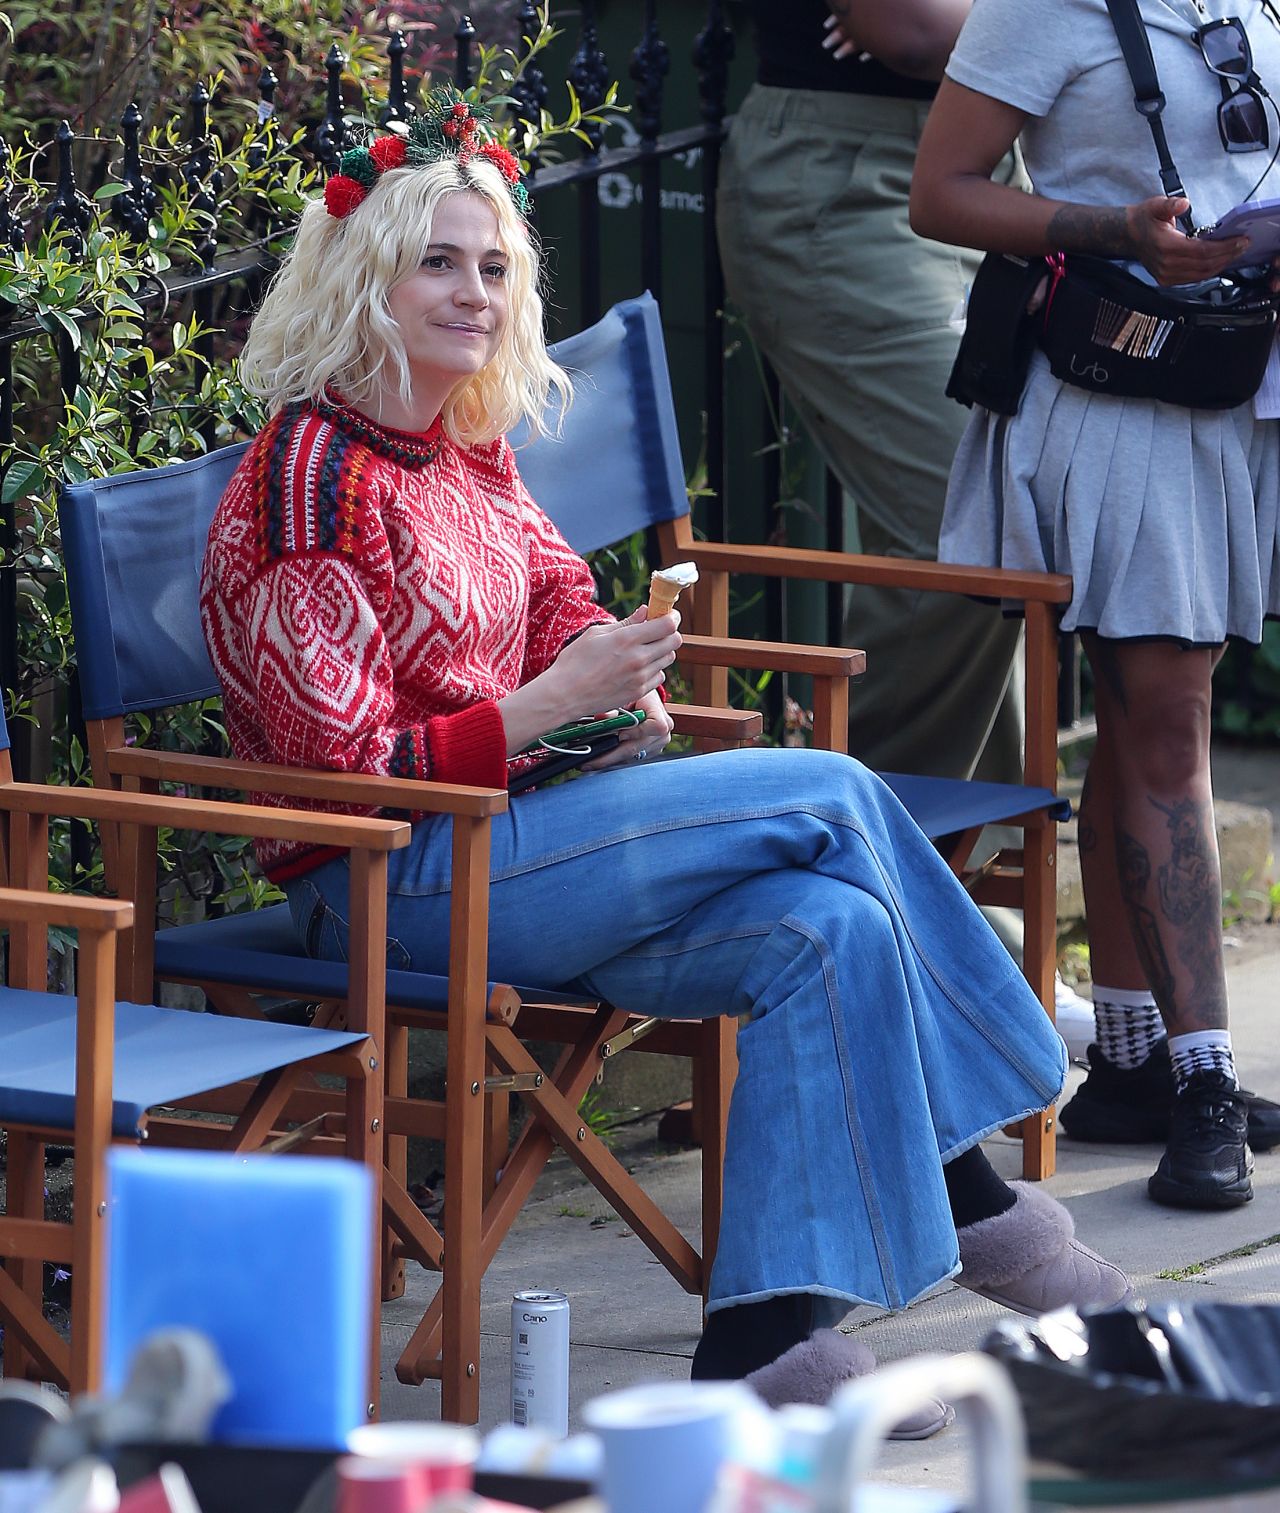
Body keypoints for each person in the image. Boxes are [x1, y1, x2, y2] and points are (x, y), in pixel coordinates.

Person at [199, 89, 1128, 1389]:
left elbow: (554, 596)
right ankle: (978, 1189)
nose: (475, 293)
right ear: (365, 276)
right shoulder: (310, 477)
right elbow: (330, 773)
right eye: (439, 263)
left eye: (495, 267)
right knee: (841, 795)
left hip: (531, 847)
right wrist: (540, 706)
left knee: (833, 927)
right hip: (392, 882)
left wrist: (613, 664)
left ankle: (759, 1344)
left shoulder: (461, 447)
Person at [910, 0, 1280, 1211]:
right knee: (1169, 723)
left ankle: (1129, 1063)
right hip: (1121, 389)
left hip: (1236, 377)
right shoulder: (1041, 8)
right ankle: (1206, 1083)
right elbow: (942, 193)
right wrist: (1113, 223)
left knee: (1148, 716)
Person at [715, 0, 1100, 1061]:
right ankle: (869, 896)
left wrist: (990, 24)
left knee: (1009, 537)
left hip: (992, 165)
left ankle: (944, 925)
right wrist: (1009, 26)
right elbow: (913, 31)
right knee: (970, 526)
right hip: (843, 184)